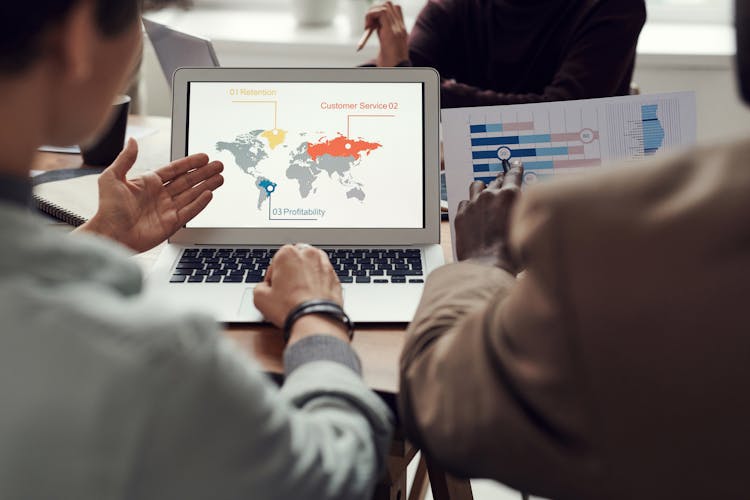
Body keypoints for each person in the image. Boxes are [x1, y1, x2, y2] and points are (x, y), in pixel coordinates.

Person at [0, 1, 392, 498]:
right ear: (77, 37)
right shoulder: (154, 359)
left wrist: (103, 235)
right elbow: (334, 476)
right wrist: (316, 315)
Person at [395, 1, 750, 497]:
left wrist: (482, 263)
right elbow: (394, 85)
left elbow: (444, 406)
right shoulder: (451, 7)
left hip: (521, 245)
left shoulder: (650, 235)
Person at [364, 0, 646, 107]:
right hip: (468, 193)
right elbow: (402, 82)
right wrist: (392, 69)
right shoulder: (450, 7)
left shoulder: (613, 6)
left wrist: (404, 78)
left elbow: (562, 111)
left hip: (572, 198)